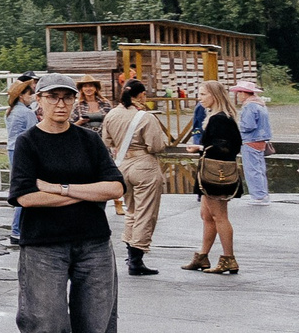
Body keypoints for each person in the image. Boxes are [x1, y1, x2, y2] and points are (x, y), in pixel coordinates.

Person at [7, 73, 126, 333]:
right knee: (46, 322)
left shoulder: (89, 141)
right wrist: (87, 193)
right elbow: (26, 197)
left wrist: (58, 188)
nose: (61, 104)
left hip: (93, 244)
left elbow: (116, 186)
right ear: (38, 101)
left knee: (97, 328)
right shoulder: (29, 143)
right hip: (44, 246)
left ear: (75, 101)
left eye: (67, 97)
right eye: (53, 97)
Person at [101, 81, 172, 278]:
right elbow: (156, 146)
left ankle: (130, 250)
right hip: (143, 164)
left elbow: (106, 141)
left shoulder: (112, 114)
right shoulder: (145, 117)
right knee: (145, 212)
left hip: (122, 164)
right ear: (141, 95)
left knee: (131, 210)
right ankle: (137, 257)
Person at [182, 80, 243, 276]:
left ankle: (228, 258)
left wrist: (200, 147)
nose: (200, 99)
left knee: (219, 216)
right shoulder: (220, 117)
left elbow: (225, 146)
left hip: (216, 173)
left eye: (203, 95)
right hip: (214, 171)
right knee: (207, 215)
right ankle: (203, 255)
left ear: (214, 96)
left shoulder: (220, 119)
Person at [3, 73, 39, 243]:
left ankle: (18, 229)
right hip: (23, 153)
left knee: (19, 187)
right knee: (26, 190)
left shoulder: (11, 111)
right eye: (30, 94)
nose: (32, 97)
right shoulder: (27, 113)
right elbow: (35, 136)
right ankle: (17, 229)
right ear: (22, 95)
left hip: (12, 149)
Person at [234, 81, 272, 205]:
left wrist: (237, 125)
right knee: (260, 168)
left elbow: (248, 125)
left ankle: (258, 196)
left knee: (252, 169)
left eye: (239, 92)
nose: (238, 95)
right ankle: (263, 193)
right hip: (261, 139)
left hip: (250, 140)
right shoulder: (260, 104)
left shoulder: (249, 106)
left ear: (244, 93)